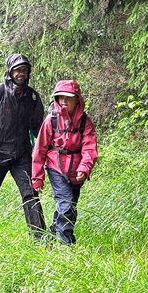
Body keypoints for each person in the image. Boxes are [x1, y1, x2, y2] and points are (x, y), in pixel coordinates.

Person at [0, 54, 46, 239]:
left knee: (31, 195)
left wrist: (46, 155)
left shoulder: (33, 98)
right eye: (17, 70)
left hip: (21, 156)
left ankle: (41, 240)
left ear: (28, 73)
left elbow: (40, 130)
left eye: (24, 70)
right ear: (10, 71)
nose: (21, 73)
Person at [31, 80, 98, 245]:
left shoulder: (85, 121)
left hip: (77, 171)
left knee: (69, 207)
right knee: (66, 203)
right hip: (56, 168)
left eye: (68, 98)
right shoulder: (51, 120)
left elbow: (89, 149)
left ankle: (51, 236)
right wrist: (37, 178)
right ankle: (65, 244)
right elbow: (39, 150)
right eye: (60, 97)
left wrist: (84, 168)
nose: (63, 101)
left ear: (77, 100)